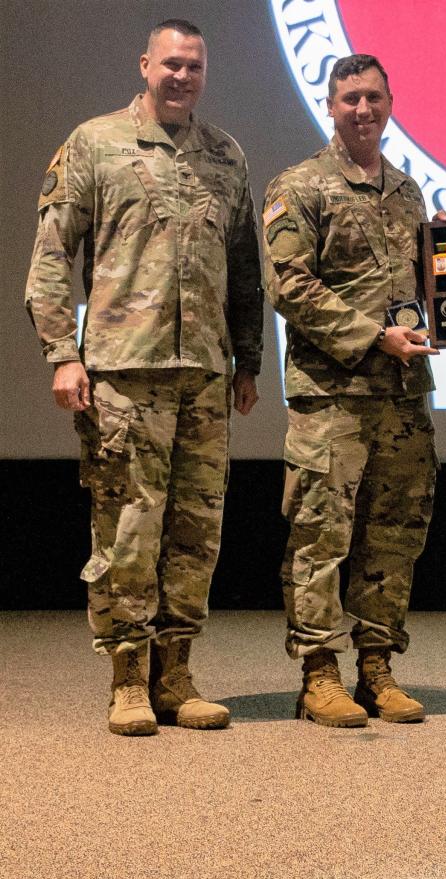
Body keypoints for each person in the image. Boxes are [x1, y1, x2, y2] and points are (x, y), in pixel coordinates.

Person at [24, 19, 263, 736]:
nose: (182, 76)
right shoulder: (95, 143)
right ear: (145, 65)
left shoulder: (226, 155)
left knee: (196, 535)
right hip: (124, 374)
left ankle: (177, 674)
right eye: (171, 64)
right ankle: (127, 676)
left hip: (204, 378)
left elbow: (246, 274)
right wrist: (62, 352)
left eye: (194, 66)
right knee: (128, 528)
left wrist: (247, 359)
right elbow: (50, 259)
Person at [262, 54, 438, 728]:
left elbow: (422, 291)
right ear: (330, 106)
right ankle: (319, 672)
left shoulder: (409, 192)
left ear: (390, 102)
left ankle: (377, 666)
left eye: (373, 97)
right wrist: (373, 336)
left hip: (401, 397)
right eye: (349, 99)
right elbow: (290, 286)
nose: (362, 110)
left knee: (393, 537)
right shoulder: (299, 186)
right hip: (331, 397)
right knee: (321, 536)